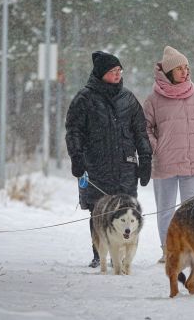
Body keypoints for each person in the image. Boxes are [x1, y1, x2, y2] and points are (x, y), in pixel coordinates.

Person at [65, 51, 152, 268]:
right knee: (99, 210)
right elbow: (74, 130)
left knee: (126, 210)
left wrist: (146, 157)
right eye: (113, 71)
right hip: (96, 167)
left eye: (119, 71)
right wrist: (76, 156)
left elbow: (140, 131)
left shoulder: (128, 99)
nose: (117, 75)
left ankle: (121, 255)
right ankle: (100, 252)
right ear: (101, 74)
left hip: (125, 167)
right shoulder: (84, 99)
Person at [143, 46, 194, 263]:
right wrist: (158, 147)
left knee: (193, 211)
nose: (184, 72)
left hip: (193, 164)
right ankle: (169, 250)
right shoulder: (153, 99)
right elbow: (144, 129)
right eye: (179, 68)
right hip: (165, 164)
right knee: (166, 210)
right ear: (168, 72)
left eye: (186, 68)